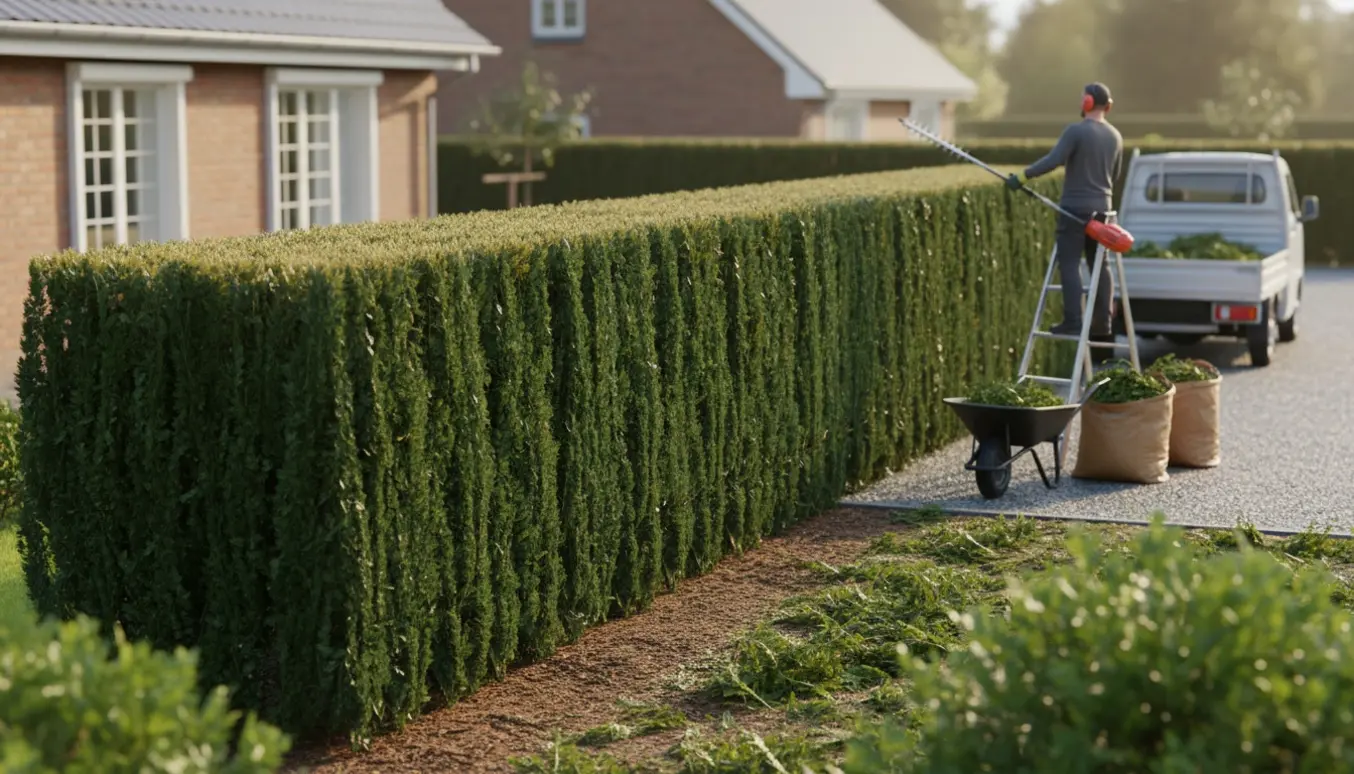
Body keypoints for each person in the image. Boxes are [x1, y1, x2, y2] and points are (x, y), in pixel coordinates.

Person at [1006, 83, 1124, 346]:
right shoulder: (1116, 136)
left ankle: (1073, 321)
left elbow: (1054, 159)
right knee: (1100, 265)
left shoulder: (1076, 131)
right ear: (1108, 105)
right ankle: (1102, 323)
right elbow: (1115, 176)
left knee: (1069, 262)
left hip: (1075, 209)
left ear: (1087, 102)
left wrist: (1023, 177)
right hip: (1104, 210)